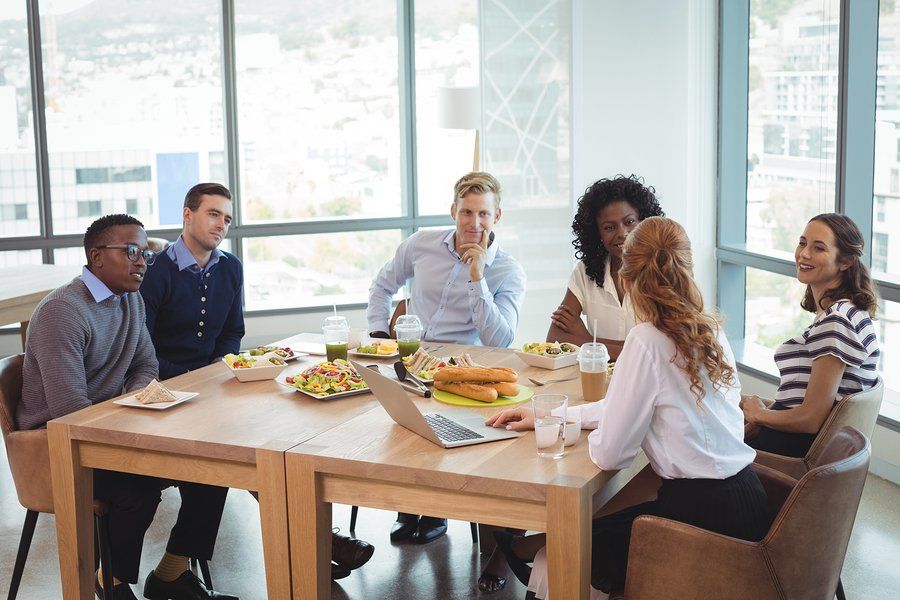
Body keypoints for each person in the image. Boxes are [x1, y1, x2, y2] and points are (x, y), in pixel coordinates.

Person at [486, 217, 771, 598]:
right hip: (744, 503)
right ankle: (528, 547)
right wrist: (554, 414)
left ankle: (529, 549)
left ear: (626, 278)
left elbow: (611, 453)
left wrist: (583, 428)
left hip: (697, 521)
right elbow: (636, 406)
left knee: (557, 556)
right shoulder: (710, 329)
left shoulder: (646, 340)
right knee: (568, 544)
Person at [139, 183, 374, 579]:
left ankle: (311, 542)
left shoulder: (230, 267)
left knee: (271, 443)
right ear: (187, 214)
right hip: (167, 391)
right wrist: (197, 380)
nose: (221, 225)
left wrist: (220, 367)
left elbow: (233, 332)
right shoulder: (155, 273)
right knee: (228, 457)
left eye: (227, 219)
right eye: (213, 214)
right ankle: (316, 542)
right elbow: (141, 345)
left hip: (217, 386)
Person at [18, 214, 239, 600]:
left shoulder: (129, 299)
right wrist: (133, 419)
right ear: (97, 256)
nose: (142, 262)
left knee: (211, 468)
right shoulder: (62, 312)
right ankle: (112, 585)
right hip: (52, 445)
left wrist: (138, 402)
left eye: (145, 254)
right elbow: (71, 410)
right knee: (135, 488)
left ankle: (170, 574)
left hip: (107, 427)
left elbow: (145, 365)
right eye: (131, 251)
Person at [367, 171, 526, 544]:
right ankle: (409, 503)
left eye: (483, 214)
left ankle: (437, 509)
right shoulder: (420, 245)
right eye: (467, 212)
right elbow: (382, 285)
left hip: (461, 373)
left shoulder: (508, 270)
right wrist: (378, 334)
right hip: (409, 361)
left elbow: (500, 339)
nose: (474, 223)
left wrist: (477, 278)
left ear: (497, 217)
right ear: (453, 210)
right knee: (400, 424)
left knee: (441, 425)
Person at [741, 213, 880, 458]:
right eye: (802, 243)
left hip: (794, 449)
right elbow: (816, 407)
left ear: (845, 261)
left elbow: (811, 419)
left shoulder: (835, 322)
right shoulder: (852, 312)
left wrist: (759, 414)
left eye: (818, 248)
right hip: (796, 440)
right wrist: (766, 412)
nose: (804, 254)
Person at [546, 174, 664, 360]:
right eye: (609, 227)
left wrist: (586, 341)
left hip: (650, 383)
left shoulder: (664, 273)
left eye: (629, 222)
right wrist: (627, 349)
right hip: (597, 379)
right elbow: (555, 339)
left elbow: (661, 351)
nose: (622, 234)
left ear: (644, 221)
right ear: (597, 233)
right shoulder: (585, 272)